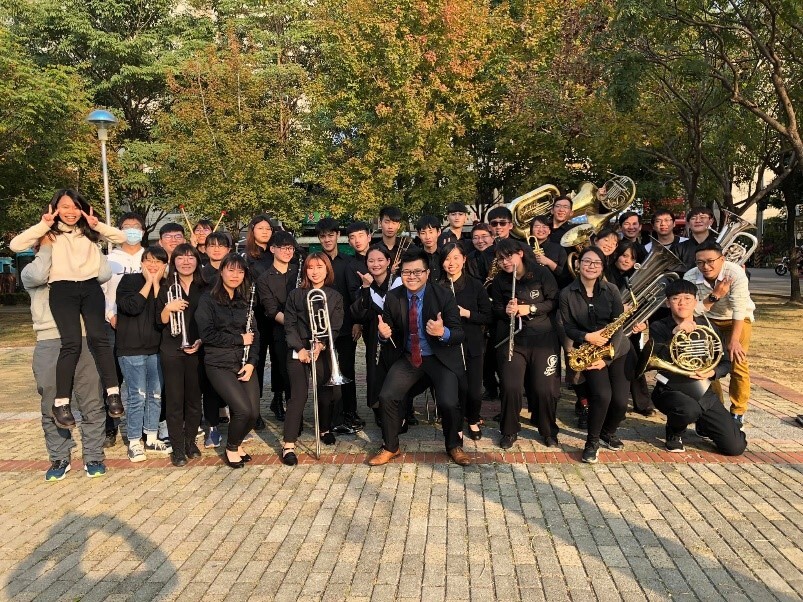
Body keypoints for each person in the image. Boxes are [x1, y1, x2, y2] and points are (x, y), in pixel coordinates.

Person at [10, 189, 126, 430]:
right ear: (55, 209)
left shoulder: (89, 233)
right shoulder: (50, 235)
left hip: (90, 287)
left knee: (99, 338)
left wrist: (98, 224)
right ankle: (61, 403)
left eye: (75, 207)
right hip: (62, 290)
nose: (70, 212)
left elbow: (122, 238)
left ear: (82, 208)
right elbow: (15, 244)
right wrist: (43, 225)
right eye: (64, 207)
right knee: (71, 342)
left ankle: (113, 393)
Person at [368, 248, 469, 467]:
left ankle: (454, 445)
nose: (412, 277)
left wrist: (443, 332)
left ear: (427, 273)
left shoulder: (443, 295)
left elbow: (459, 333)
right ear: (400, 273)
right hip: (409, 358)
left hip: (439, 358)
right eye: (406, 272)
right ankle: (390, 447)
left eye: (417, 272)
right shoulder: (394, 297)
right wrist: (383, 335)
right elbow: (388, 329)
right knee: (386, 397)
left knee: (449, 402)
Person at [22, 242, 111, 480]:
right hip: (50, 340)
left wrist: (87, 241)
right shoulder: (31, 271)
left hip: (83, 339)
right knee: (52, 402)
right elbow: (41, 273)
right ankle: (60, 456)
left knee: (92, 400)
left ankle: (93, 455)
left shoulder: (83, 271)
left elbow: (104, 272)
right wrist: (49, 245)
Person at [648, 279, 746, 455]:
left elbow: (725, 362)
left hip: (702, 389)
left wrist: (712, 371)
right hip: (670, 388)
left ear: (695, 301)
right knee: (689, 409)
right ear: (667, 303)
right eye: (676, 298)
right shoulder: (659, 326)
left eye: (687, 298)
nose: (682, 303)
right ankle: (674, 432)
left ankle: (706, 423)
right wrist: (676, 333)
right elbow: (656, 356)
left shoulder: (708, 326)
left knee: (735, 447)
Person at [560, 246, 630, 464]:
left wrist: (607, 357)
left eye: (596, 263)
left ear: (602, 267)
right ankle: (592, 442)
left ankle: (608, 432)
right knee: (602, 395)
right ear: (578, 264)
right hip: (589, 350)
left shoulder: (611, 290)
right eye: (587, 262)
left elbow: (618, 326)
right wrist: (587, 337)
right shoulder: (566, 293)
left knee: (619, 401)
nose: (591, 266)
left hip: (616, 349)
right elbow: (567, 327)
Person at [490, 239, 560, 448]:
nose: (505, 262)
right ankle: (509, 431)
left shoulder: (541, 273)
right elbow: (496, 310)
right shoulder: (499, 281)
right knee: (510, 387)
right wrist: (506, 310)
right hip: (514, 340)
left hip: (543, 339)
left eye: (508, 256)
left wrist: (529, 309)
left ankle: (548, 430)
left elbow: (553, 301)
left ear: (520, 253)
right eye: (500, 259)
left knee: (544, 389)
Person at [195, 253, 260, 469]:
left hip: (243, 363)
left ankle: (238, 443)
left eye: (240, 271)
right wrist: (239, 339)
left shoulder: (245, 301)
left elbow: (255, 335)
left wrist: (251, 362)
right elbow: (207, 335)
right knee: (242, 410)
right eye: (231, 270)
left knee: (253, 413)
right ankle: (231, 448)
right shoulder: (208, 299)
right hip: (218, 363)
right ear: (221, 271)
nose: (235, 275)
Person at [279, 253, 344, 466]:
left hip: (322, 347)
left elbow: (334, 326)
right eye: (310, 267)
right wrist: (301, 348)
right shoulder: (296, 295)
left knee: (327, 393)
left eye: (319, 267)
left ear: (327, 269)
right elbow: (289, 325)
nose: (315, 271)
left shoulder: (334, 296)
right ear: (305, 270)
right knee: (298, 396)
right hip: (299, 348)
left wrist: (321, 345)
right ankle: (288, 444)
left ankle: (324, 428)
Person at [684, 241, 755, 424]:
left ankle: (738, 411)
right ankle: (716, 408)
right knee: (709, 364)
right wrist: (714, 296)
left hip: (738, 318)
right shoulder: (690, 276)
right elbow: (692, 310)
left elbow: (739, 308)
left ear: (722, 259)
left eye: (710, 261)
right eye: (700, 262)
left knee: (737, 362)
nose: (705, 267)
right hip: (710, 319)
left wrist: (734, 340)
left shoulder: (735, 272)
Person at [116, 245, 171, 462]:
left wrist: (157, 284)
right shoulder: (129, 282)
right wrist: (148, 282)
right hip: (131, 349)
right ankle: (134, 441)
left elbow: (161, 314)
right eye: (149, 260)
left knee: (155, 395)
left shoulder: (166, 286)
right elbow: (133, 307)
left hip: (156, 349)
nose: (153, 265)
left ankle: (151, 437)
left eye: (158, 261)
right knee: (136, 396)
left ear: (165, 265)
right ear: (141, 262)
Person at [157, 244, 205, 467]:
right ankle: (177, 448)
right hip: (172, 350)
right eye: (180, 258)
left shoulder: (204, 287)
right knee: (175, 401)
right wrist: (169, 308)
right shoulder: (165, 287)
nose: (186, 262)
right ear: (173, 262)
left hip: (196, 349)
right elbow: (159, 321)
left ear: (197, 260)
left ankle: (190, 441)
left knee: (194, 400)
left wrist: (200, 341)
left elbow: (211, 319)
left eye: (190, 257)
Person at [102, 211, 146, 447]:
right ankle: (110, 427)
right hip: (114, 324)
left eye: (136, 226)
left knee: (141, 379)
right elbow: (100, 294)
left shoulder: (149, 257)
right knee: (111, 378)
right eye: (126, 227)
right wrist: (110, 315)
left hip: (143, 326)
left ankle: (141, 427)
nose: (131, 230)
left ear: (143, 231)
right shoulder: (108, 260)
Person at [440, 242, 492, 440]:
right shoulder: (438, 286)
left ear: (464, 259)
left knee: (474, 389)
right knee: (456, 388)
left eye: (455, 258)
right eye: (446, 258)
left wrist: (467, 313)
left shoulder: (475, 285)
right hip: (448, 345)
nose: (451, 263)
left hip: (472, 343)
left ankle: (473, 419)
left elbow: (487, 316)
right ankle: (457, 422)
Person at [316, 218, 363, 433]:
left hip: (346, 327)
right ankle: (330, 415)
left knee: (347, 370)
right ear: (319, 239)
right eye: (323, 236)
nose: (327, 239)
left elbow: (355, 296)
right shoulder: (315, 262)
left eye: (330, 235)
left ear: (337, 236)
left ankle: (350, 412)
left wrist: (357, 323)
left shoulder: (349, 262)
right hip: (324, 328)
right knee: (327, 372)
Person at [351, 246, 402, 427]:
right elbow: (359, 314)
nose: (376, 264)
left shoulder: (400, 283)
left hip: (398, 336)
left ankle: (402, 411)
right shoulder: (365, 285)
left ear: (388, 262)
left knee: (398, 373)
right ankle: (379, 410)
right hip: (373, 337)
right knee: (375, 372)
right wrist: (365, 287)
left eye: (380, 260)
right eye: (371, 261)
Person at [607, 240, 654, 417]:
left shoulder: (639, 276)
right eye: (624, 255)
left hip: (631, 326)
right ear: (617, 255)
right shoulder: (606, 273)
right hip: (607, 324)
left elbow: (646, 303)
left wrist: (643, 321)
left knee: (634, 360)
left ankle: (642, 403)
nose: (627, 260)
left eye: (632, 258)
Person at [257, 230, 300, 422]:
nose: (287, 251)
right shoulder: (264, 278)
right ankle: (281, 403)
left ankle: (295, 408)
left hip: (302, 330)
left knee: (296, 374)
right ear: (273, 249)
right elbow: (272, 310)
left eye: (290, 248)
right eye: (283, 248)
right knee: (281, 368)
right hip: (279, 328)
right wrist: (293, 325)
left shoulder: (300, 271)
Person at [244, 214, 277, 426]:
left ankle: (278, 400)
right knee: (256, 361)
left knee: (279, 358)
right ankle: (254, 408)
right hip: (256, 315)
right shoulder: (246, 257)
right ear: (253, 230)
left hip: (276, 315)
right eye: (261, 228)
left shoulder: (276, 253)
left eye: (269, 229)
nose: (265, 232)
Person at [529, 214, 569, 287]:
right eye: (537, 226)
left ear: (549, 231)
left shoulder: (559, 249)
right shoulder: (525, 248)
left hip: (555, 289)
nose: (541, 229)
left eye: (544, 226)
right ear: (531, 230)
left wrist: (548, 262)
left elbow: (564, 276)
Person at [677, 207, 717, 273]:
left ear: (711, 221)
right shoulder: (679, 248)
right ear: (688, 224)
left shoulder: (719, 244)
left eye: (702, 217)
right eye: (693, 218)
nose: (698, 221)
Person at [415, 215, 443, 281]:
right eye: (423, 233)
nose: (428, 237)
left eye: (431, 232)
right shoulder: (416, 257)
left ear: (438, 232)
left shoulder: (445, 255)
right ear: (418, 235)